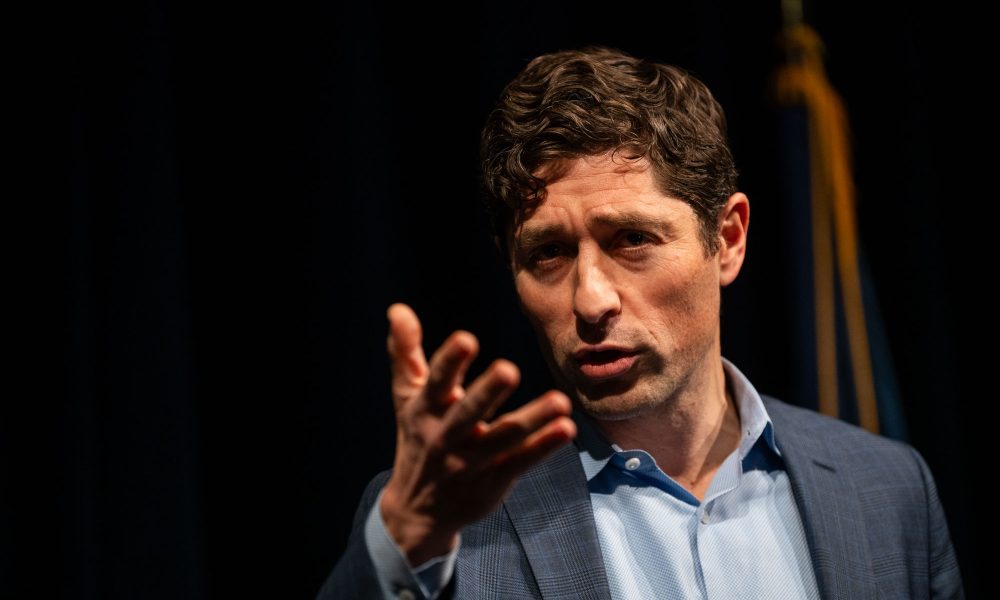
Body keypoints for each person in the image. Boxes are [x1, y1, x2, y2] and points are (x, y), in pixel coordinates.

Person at [318, 47, 963, 599]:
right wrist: (399, 542)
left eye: (632, 239)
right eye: (548, 253)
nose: (590, 300)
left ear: (728, 239)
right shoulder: (447, 519)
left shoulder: (889, 489)